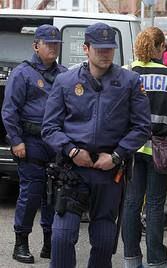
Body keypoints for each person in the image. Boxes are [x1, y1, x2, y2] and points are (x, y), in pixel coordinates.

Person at [41, 22, 151, 268]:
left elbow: (142, 127)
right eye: (99, 49)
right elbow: (49, 127)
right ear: (86, 48)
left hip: (108, 169)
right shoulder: (65, 81)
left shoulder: (130, 82)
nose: (105, 53)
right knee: (62, 236)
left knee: (103, 238)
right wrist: (71, 150)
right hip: (72, 170)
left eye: (109, 49)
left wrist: (116, 155)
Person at [122, 26, 167, 268]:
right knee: (154, 205)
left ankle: (131, 259)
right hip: (162, 151)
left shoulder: (127, 73)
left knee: (131, 203)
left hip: (130, 149)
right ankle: (157, 261)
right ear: (161, 47)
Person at [1, 24, 67, 264]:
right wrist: (16, 141)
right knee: (31, 194)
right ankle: (21, 243)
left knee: (55, 195)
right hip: (30, 143)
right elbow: (9, 111)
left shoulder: (64, 74)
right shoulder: (22, 73)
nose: (53, 48)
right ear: (36, 45)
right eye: (48, 44)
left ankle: (50, 242)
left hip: (56, 144)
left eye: (56, 44)